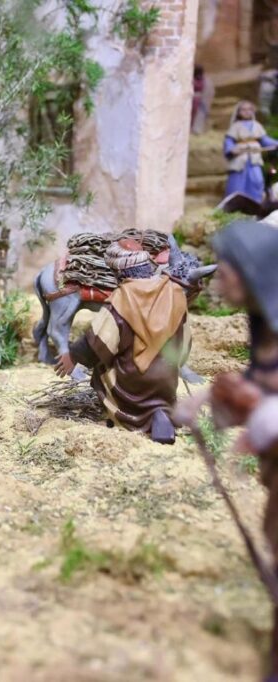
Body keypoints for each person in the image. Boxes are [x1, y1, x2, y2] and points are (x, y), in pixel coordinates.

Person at [174, 220, 278, 682]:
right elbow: (262, 381)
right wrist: (212, 399)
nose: (219, 279)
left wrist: (255, 412)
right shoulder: (264, 326)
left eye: (228, 268)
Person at [55, 239, 190, 444]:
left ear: (119, 273)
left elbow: (98, 342)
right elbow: (186, 343)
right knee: (161, 374)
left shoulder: (120, 300)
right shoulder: (175, 293)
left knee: (103, 369)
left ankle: (133, 415)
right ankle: (160, 409)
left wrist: (73, 355)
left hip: (132, 385)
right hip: (166, 381)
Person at [223, 101, 278, 205]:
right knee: (237, 182)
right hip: (240, 159)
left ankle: (255, 203)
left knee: (257, 181)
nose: (247, 112)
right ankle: (235, 204)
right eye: (243, 110)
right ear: (238, 112)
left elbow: (265, 140)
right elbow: (229, 141)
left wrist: (276, 143)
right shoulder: (235, 126)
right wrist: (231, 149)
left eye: (249, 109)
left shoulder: (256, 126)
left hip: (254, 159)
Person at [191, 65, 214, 135]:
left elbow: (209, 90)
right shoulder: (191, 79)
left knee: (200, 114)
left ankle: (197, 129)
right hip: (192, 99)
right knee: (192, 115)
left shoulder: (205, 80)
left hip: (200, 100)